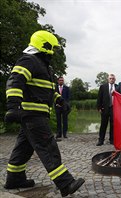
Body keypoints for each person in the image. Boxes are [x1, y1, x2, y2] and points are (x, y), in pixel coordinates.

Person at [4, 30, 84, 197]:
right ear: (44, 45)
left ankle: (14, 178)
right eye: (52, 48)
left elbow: (46, 91)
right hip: (32, 114)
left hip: (33, 115)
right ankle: (65, 183)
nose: (54, 52)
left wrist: (59, 99)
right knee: (48, 147)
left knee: (23, 149)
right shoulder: (29, 60)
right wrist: (12, 106)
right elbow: (14, 81)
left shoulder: (42, 66)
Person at [96, 74, 117, 146]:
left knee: (113, 125)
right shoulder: (103, 87)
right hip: (105, 109)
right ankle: (101, 140)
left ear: (115, 80)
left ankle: (112, 140)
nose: (111, 80)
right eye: (110, 78)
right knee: (103, 125)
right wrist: (99, 107)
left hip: (114, 109)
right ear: (108, 79)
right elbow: (99, 97)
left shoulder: (117, 87)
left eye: (113, 78)